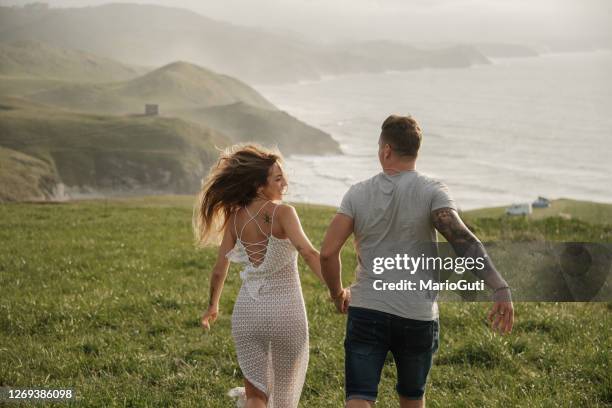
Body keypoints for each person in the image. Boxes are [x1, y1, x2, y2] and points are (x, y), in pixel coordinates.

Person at [320, 115, 514, 408]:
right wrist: (499, 286)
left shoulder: (357, 193)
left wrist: (337, 295)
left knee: (359, 397)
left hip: (367, 308)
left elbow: (327, 252)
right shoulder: (432, 190)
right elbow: (463, 241)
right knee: (412, 398)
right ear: (415, 150)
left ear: (386, 150)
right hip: (416, 313)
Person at [194, 144, 324, 408]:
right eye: (278, 178)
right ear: (257, 185)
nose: (285, 182)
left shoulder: (234, 219)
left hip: (248, 313)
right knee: (284, 399)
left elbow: (220, 269)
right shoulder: (284, 213)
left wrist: (212, 306)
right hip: (287, 313)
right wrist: (336, 289)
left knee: (255, 396)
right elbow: (309, 252)